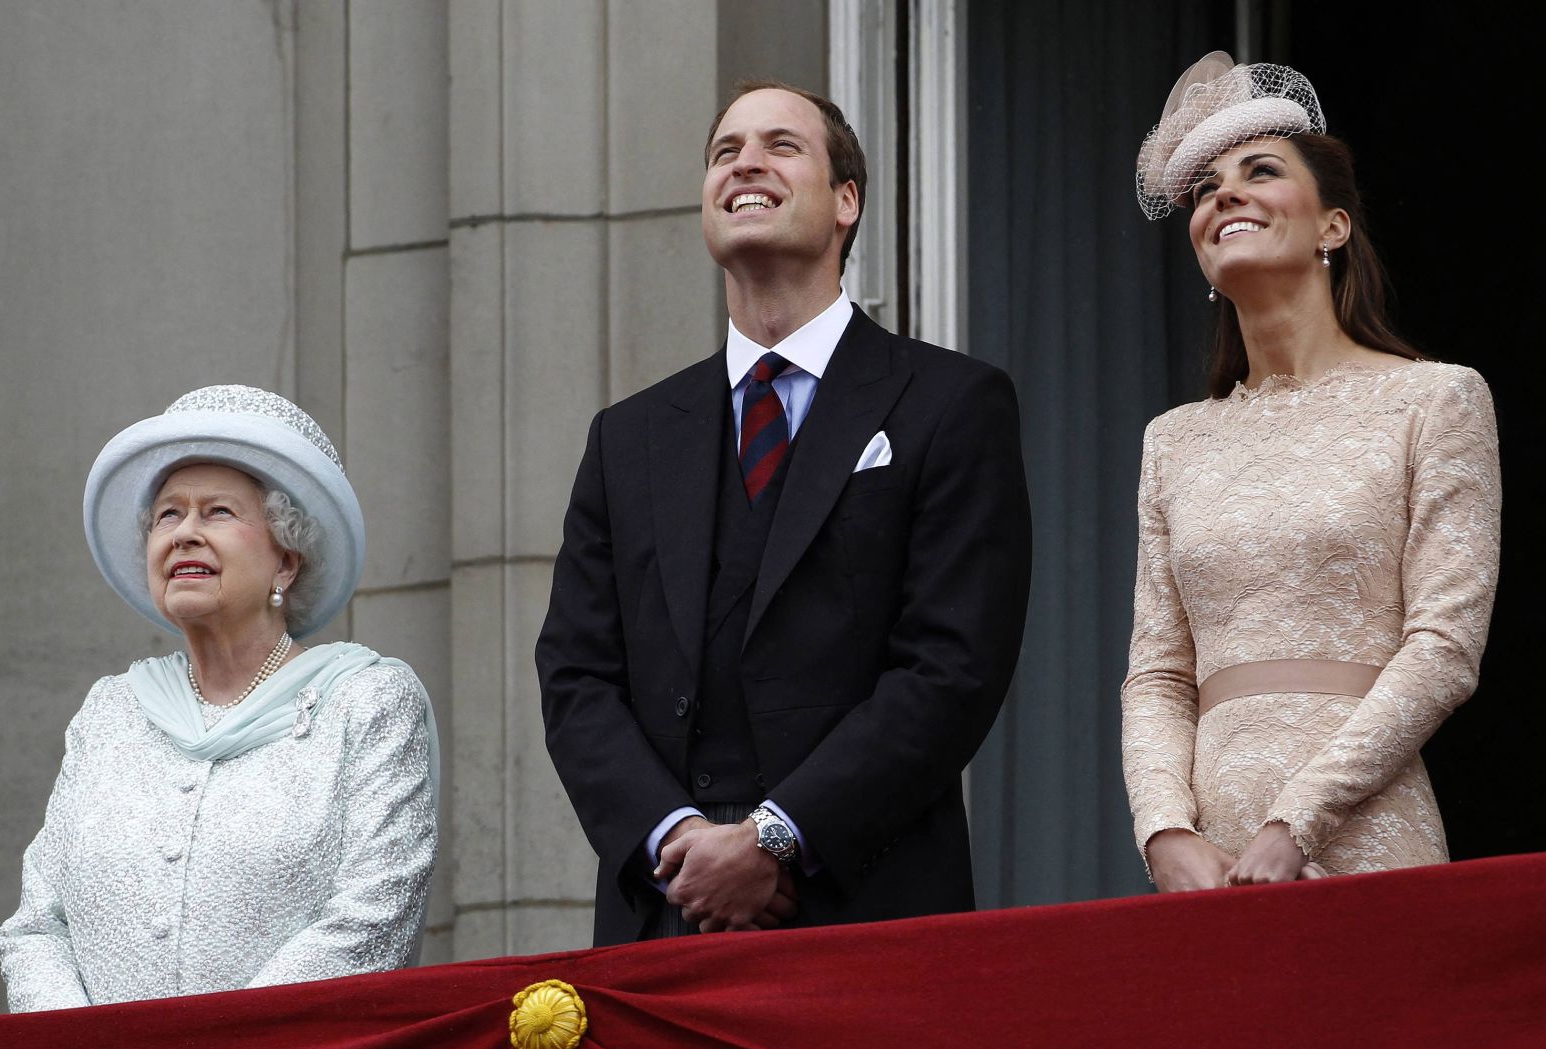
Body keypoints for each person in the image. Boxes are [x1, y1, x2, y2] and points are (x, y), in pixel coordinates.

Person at [536, 79, 1029, 943]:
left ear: (847, 201)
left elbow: (951, 667)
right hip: (666, 910)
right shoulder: (628, 436)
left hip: (868, 905)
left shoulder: (952, 402)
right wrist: (680, 839)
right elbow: (577, 677)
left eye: (780, 146)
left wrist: (776, 838)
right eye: (725, 151)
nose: (745, 164)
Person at [1121, 53, 1501, 891]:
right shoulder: (1173, 440)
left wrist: (1300, 818)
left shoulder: (1435, 399)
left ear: (1333, 226)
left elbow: (1444, 647)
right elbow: (1157, 672)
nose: (1226, 194)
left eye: (1260, 171)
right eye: (1206, 188)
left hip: (1367, 831)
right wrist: (1165, 831)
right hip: (1207, 858)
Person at [0, 385, 439, 1011]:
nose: (184, 535)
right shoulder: (110, 713)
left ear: (286, 560)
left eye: (218, 513)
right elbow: (36, 927)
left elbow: (374, 915)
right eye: (168, 516)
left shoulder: (366, 702)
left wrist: (219, 1046)